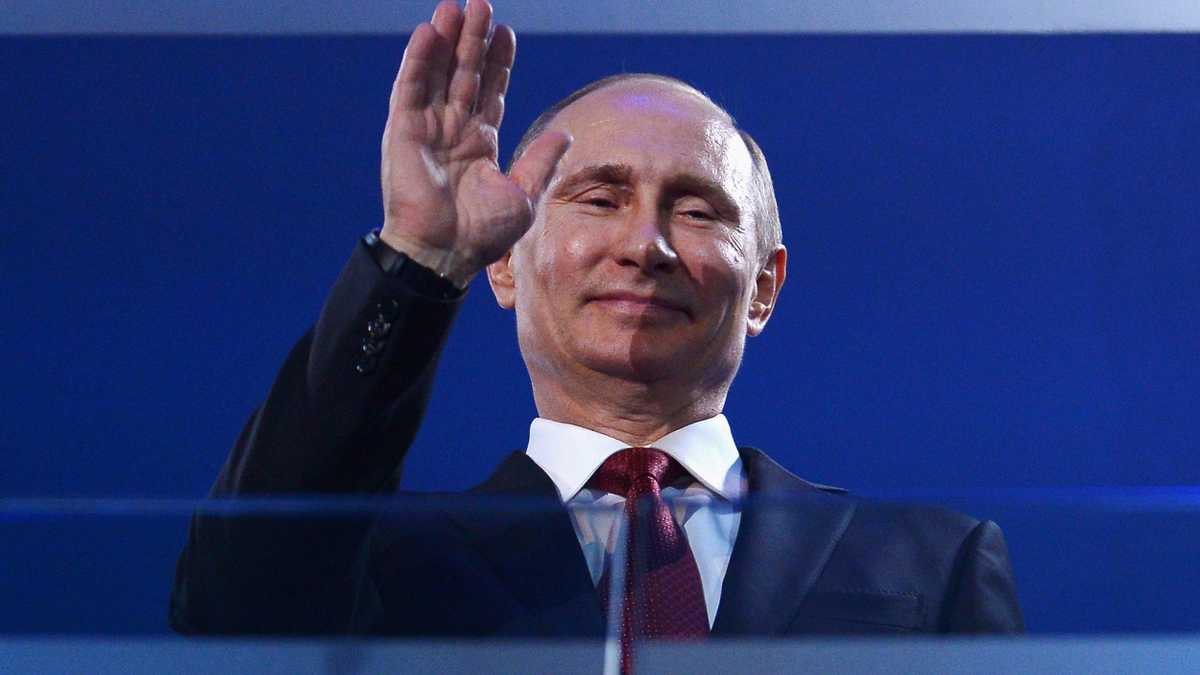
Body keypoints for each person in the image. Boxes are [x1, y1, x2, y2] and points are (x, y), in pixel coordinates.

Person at [171, 0, 1023, 643]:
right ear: (504, 262)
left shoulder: (933, 562)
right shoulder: (384, 562)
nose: (645, 244)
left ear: (764, 287)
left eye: (697, 210)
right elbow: (233, 597)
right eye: (599, 198)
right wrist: (420, 256)